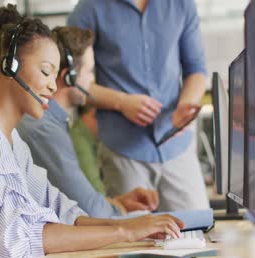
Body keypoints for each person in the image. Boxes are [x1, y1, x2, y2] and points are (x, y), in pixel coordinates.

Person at [0, 5, 184, 258]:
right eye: (45, 71)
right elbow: (25, 238)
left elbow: (60, 209)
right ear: (10, 66)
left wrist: (137, 225)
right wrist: (125, 231)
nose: (53, 85)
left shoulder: (11, 141)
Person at [68, 0, 210, 211]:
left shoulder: (181, 4)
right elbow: (71, 81)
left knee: (198, 233)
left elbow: (197, 70)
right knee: (133, 238)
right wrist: (121, 102)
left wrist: (185, 106)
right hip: (123, 151)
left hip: (177, 147)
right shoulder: (89, 8)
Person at [18, 26, 158, 218]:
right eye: (90, 71)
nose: (92, 81)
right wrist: (120, 210)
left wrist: (117, 202)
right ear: (69, 76)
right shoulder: (44, 128)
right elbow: (89, 210)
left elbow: (76, 199)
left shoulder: (53, 123)